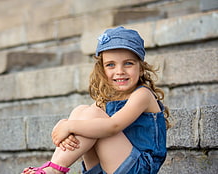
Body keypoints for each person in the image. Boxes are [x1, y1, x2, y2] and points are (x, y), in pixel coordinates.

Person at [22, 26, 170, 174]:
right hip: (109, 167)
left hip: (139, 168)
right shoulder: (107, 100)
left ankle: (55, 170)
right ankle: (55, 165)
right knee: (82, 110)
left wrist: (70, 126)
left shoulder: (142, 95)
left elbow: (113, 126)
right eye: (111, 65)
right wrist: (62, 125)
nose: (120, 71)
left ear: (141, 68)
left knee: (92, 117)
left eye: (128, 63)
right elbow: (84, 119)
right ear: (102, 70)